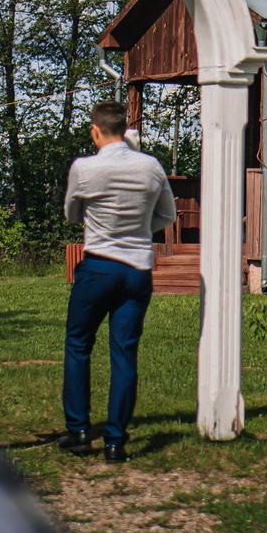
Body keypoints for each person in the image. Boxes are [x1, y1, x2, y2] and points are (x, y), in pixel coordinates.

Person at [60, 98, 176, 462]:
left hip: (98, 266)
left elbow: (71, 213)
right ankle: (115, 441)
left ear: (95, 131)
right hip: (137, 269)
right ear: (126, 130)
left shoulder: (84, 168)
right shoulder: (151, 166)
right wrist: (140, 227)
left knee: (79, 343)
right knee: (124, 352)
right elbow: (167, 214)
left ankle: (79, 429)